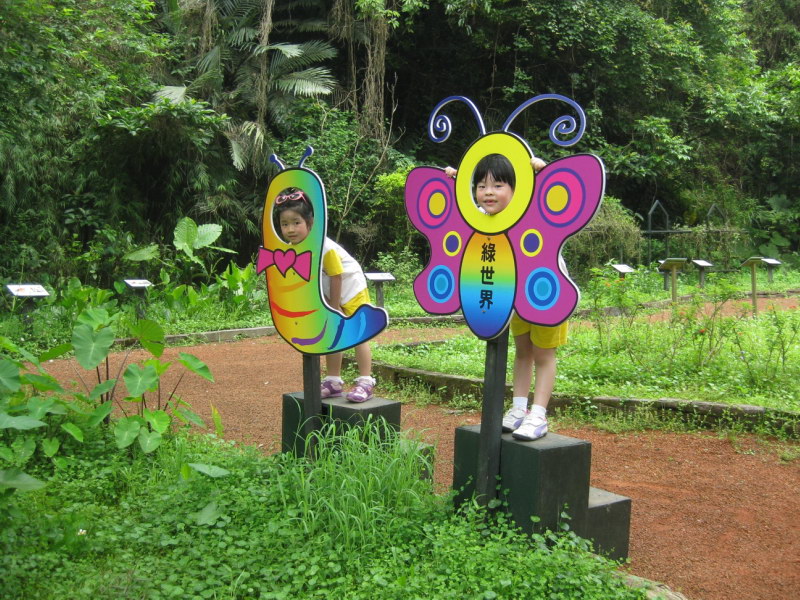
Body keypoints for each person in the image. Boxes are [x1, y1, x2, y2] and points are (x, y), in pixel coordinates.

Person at [444, 153, 565, 441]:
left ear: (515, 189)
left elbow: (550, 198)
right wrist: (455, 180)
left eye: (498, 185)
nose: (488, 192)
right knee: (523, 350)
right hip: (512, 292)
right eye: (481, 186)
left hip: (547, 289)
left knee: (543, 354)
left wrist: (540, 172)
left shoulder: (528, 208)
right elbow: (461, 211)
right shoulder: (484, 218)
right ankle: (519, 408)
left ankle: (538, 414)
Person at [273, 189, 377, 403]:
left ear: (310, 223)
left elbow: (336, 276)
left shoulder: (324, 246)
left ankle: (366, 381)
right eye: (285, 224)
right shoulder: (293, 248)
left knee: (358, 332)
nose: (290, 229)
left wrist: (334, 307)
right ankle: (333, 381)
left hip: (351, 287)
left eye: (296, 223)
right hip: (328, 291)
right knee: (332, 333)